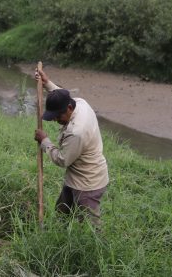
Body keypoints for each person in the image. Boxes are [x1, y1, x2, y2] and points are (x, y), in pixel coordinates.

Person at [34, 67, 109, 226]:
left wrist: (45, 141)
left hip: (88, 184)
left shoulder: (77, 131)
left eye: (58, 116)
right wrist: (47, 83)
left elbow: (62, 160)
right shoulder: (80, 103)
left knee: (90, 229)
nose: (56, 120)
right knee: (62, 213)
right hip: (74, 179)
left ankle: (96, 249)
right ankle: (59, 238)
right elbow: (62, 94)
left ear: (68, 109)